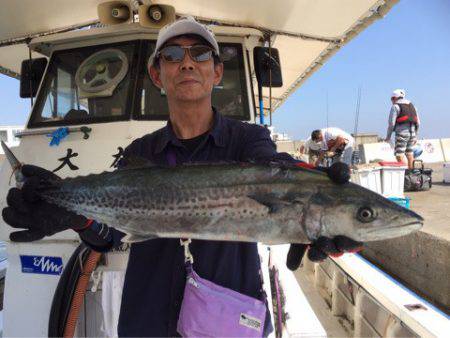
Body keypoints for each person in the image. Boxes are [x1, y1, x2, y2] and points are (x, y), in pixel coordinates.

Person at [2, 17, 362, 337]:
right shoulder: (141, 152)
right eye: (172, 56)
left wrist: (312, 191)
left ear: (217, 72)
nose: (187, 62)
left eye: (200, 54)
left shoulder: (247, 140)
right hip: (147, 320)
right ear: (158, 75)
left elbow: (270, 170)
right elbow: (107, 236)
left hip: (226, 318)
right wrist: (72, 213)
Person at [384, 89, 420, 169]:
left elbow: (391, 124)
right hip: (412, 133)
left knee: (399, 155)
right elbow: (418, 122)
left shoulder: (395, 106)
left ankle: (403, 174)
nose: (392, 101)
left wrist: (388, 137)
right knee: (410, 153)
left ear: (395, 97)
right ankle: (411, 174)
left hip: (402, 133)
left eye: (392, 98)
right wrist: (415, 136)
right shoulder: (412, 106)